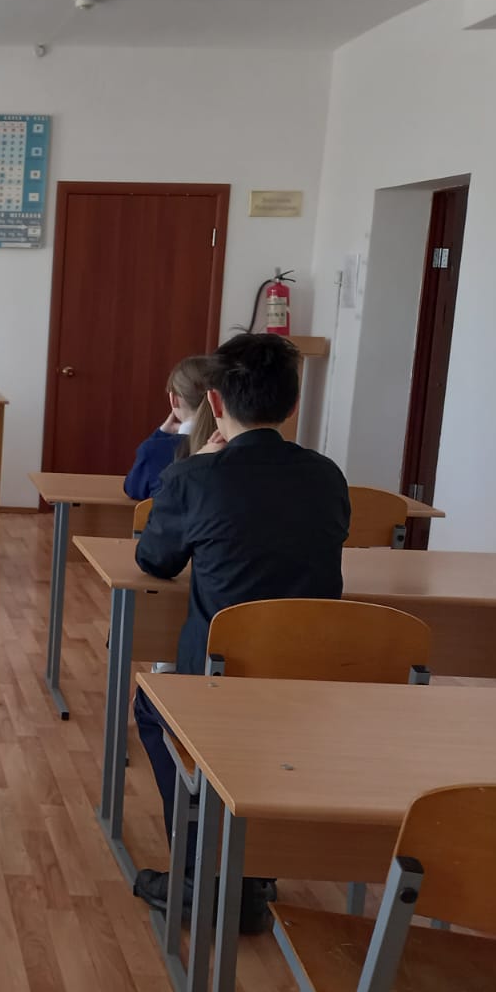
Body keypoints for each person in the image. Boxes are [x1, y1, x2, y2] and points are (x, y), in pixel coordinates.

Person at [128, 333, 349, 933]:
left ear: (215, 402)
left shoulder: (196, 478)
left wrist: (192, 471)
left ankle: (199, 877)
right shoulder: (327, 476)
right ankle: (252, 874)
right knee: (268, 739)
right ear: (293, 405)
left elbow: (154, 561)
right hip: (311, 678)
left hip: (220, 675)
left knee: (153, 709)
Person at [123, 355, 214, 501]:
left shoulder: (154, 450)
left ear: (174, 399)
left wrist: (160, 435)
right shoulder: (236, 448)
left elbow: (132, 489)